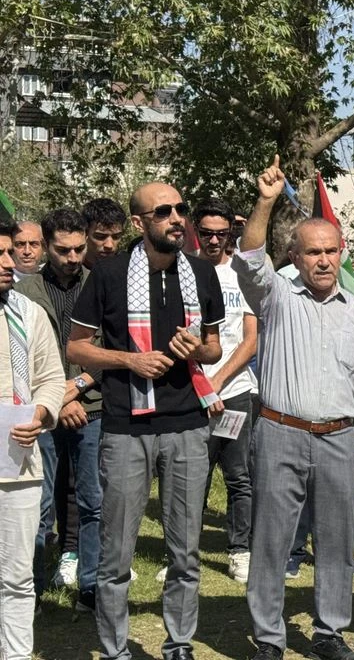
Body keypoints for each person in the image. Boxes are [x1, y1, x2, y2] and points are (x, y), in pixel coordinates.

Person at [67, 184, 225, 660]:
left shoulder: (201, 272)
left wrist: (196, 350)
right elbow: (76, 348)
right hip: (124, 427)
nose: (177, 218)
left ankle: (179, 642)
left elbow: (214, 348)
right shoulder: (108, 274)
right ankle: (116, 649)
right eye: (164, 212)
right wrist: (129, 362)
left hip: (187, 425)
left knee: (184, 550)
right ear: (140, 222)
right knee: (117, 554)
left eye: (181, 209)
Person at [236, 157, 354, 660]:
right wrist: (266, 200)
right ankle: (270, 638)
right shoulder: (275, 295)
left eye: (330, 251)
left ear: (341, 254)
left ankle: (329, 633)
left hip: (340, 438)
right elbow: (250, 253)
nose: (322, 260)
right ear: (294, 257)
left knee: (338, 541)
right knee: (272, 540)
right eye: (312, 252)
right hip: (281, 433)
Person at [20, 208, 102, 615]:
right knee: (38, 503)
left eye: (79, 248)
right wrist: (59, 399)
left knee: (93, 500)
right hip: (41, 411)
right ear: (46, 245)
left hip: (94, 408)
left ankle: (90, 586)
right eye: (63, 249)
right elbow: (22, 355)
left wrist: (79, 388)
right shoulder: (25, 292)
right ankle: (28, 591)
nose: (73, 257)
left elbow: (112, 347)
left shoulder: (100, 284)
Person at [0, 220, 66, 660]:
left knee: (17, 576)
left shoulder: (27, 312)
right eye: (2, 255)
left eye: (11, 253)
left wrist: (41, 413)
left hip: (17, 463)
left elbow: (51, 378)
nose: (10, 263)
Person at [192, 199, 259, 584]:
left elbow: (251, 340)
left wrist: (218, 382)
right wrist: (202, 384)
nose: (215, 240)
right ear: (195, 232)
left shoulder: (242, 275)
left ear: (231, 232)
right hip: (193, 393)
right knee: (192, 476)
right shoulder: (183, 271)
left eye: (222, 233)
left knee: (238, 476)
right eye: (207, 233)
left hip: (234, 391)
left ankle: (239, 551)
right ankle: (184, 552)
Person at [80, 199, 127, 269]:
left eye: (116, 237)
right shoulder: (67, 271)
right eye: (100, 237)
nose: (109, 245)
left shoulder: (129, 269)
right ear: (85, 234)